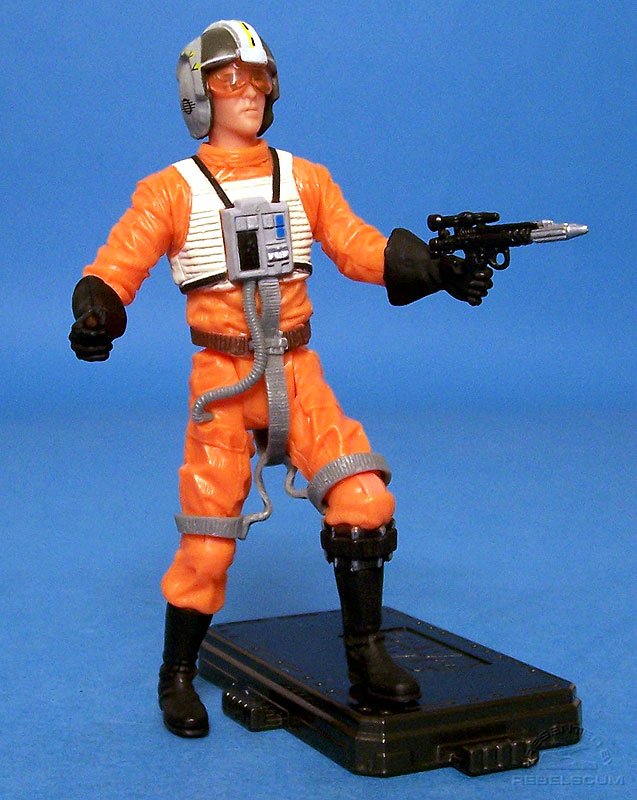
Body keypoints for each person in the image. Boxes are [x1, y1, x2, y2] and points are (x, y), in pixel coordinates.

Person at [69, 19, 493, 738]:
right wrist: (96, 312)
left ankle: (365, 655)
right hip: (222, 384)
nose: (248, 92)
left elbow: (356, 246)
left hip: (298, 373)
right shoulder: (170, 191)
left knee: (363, 498)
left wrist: (434, 269)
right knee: (207, 543)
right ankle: (177, 674)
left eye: (259, 78)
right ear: (199, 94)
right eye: (229, 79)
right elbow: (117, 267)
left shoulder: (303, 179)